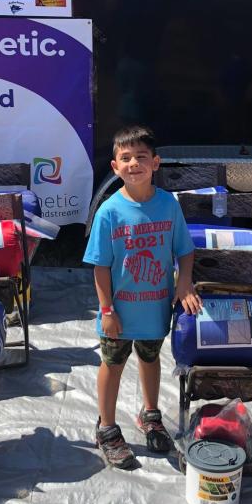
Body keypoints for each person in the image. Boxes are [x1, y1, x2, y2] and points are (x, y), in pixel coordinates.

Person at [83, 125, 202, 469]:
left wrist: (185, 283)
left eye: (141, 156)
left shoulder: (168, 205)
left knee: (150, 359)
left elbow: (184, 250)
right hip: (118, 312)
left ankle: (150, 415)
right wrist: (107, 309)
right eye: (126, 157)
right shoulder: (109, 212)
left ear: (156, 163)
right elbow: (100, 267)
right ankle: (106, 428)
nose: (134, 163)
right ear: (115, 166)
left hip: (155, 309)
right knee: (113, 364)